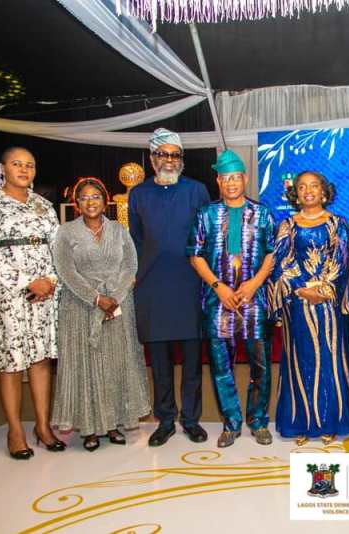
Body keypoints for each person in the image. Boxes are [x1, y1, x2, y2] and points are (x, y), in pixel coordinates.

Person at [0, 147, 64, 458]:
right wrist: (27, 282)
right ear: (3, 168)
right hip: (8, 296)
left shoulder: (44, 207)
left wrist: (49, 280)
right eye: (17, 164)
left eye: (30, 165)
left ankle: (42, 426)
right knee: (10, 363)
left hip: (43, 295)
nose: (24, 170)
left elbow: (58, 247)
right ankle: (15, 431)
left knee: (39, 361)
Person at [51, 178, 150, 451]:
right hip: (81, 307)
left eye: (96, 197)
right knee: (87, 367)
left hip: (118, 307)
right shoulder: (66, 233)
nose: (90, 202)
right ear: (76, 203)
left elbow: (131, 265)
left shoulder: (119, 230)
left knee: (116, 365)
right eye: (84, 198)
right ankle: (90, 429)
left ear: (105, 201)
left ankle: (113, 423)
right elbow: (65, 271)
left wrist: (113, 299)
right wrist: (96, 298)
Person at [187, 150, 276, 448]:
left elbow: (271, 254)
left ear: (245, 178)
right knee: (221, 366)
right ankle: (231, 422)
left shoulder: (262, 213)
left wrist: (254, 284)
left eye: (237, 177)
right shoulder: (206, 214)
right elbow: (195, 255)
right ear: (218, 181)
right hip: (218, 302)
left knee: (260, 366)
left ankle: (259, 421)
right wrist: (218, 287)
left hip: (255, 300)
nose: (232, 183)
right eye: (226, 178)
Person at [128, 128, 211, 447]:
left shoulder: (197, 190)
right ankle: (165, 420)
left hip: (190, 285)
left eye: (176, 155)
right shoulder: (138, 194)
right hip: (152, 287)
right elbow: (135, 240)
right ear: (152, 159)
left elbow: (206, 237)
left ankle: (191, 419)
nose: (170, 160)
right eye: (164, 154)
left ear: (182, 160)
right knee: (160, 362)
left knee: (192, 360)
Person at [269, 171, 349, 445]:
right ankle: (302, 422)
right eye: (301, 187)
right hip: (297, 305)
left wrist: (322, 289)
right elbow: (280, 262)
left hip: (329, 306)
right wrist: (300, 289)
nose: (308, 190)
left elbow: (343, 260)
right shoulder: (287, 224)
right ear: (295, 194)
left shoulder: (337, 224)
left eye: (314, 186)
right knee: (301, 361)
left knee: (331, 360)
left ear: (324, 191)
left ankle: (330, 421)